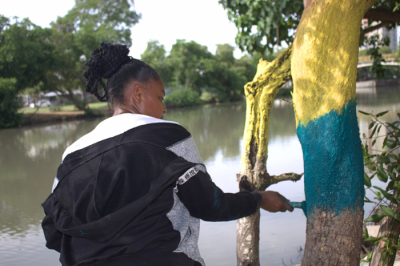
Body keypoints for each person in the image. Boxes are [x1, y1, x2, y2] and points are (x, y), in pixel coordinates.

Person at [41, 42, 293, 266]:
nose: (164, 108)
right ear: (138, 94)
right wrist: (258, 198)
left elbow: (54, 233)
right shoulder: (167, 136)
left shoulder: (71, 156)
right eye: (160, 97)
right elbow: (211, 206)